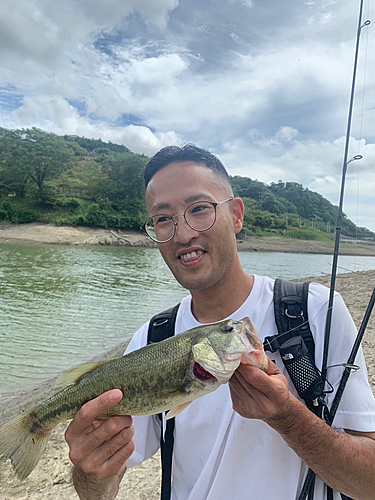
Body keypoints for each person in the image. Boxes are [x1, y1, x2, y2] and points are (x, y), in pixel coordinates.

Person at [65, 144, 375, 500]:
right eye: (163, 219)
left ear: (237, 214)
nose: (182, 235)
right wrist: (90, 471)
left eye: (199, 209)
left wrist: (287, 416)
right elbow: (101, 491)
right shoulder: (152, 339)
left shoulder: (317, 311)